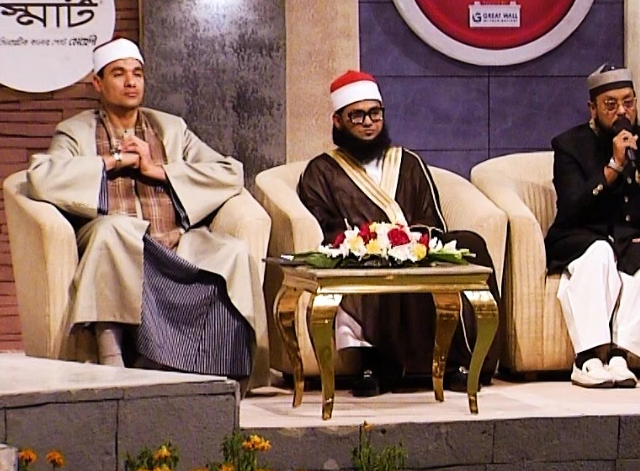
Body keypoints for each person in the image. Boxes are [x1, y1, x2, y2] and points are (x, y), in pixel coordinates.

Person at [26, 38, 260, 380]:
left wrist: (158, 170)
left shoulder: (171, 129)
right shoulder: (76, 131)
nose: (131, 82)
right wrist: (112, 161)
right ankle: (111, 356)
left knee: (232, 253)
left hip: (174, 241)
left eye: (137, 74)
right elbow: (41, 176)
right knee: (116, 228)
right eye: (118, 74)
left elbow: (230, 172)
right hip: (114, 242)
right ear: (97, 83)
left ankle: (221, 367)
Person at [296, 70, 502, 396]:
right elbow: (327, 227)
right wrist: (372, 242)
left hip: (414, 247)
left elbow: (432, 218)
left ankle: (468, 363)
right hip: (361, 255)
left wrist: (408, 241)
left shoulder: (409, 162)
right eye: (357, 116)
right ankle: (376, 367)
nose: (368, 123)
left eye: (374, 113)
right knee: (378, 266)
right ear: (338, 121)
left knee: (470, 244)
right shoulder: (321, 171)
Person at [545, 66, 640, 388]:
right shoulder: (569, 145)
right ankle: (587, 359)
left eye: (628, 103)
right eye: (611, 104)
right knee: (599, 254)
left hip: (630, 240)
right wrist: (614, 166)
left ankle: (619, 355)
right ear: (593, 109)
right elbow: (572, 205)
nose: (622, 112)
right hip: (578, 236)